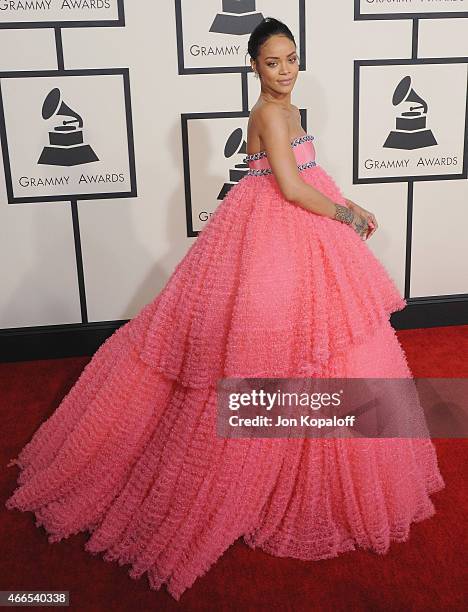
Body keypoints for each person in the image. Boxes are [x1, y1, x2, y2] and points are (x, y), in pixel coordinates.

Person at [5, 17, 445, 602]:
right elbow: (288, 188)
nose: (285, 71)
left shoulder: (290, 108)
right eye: (272, 63)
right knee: (272, 352)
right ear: (253, 67)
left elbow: (309, 173)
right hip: (273, 236)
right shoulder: (267, 113)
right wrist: (345, 217)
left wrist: (350, 203)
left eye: (291, 59)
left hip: (302, 234)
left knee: (326, 348)